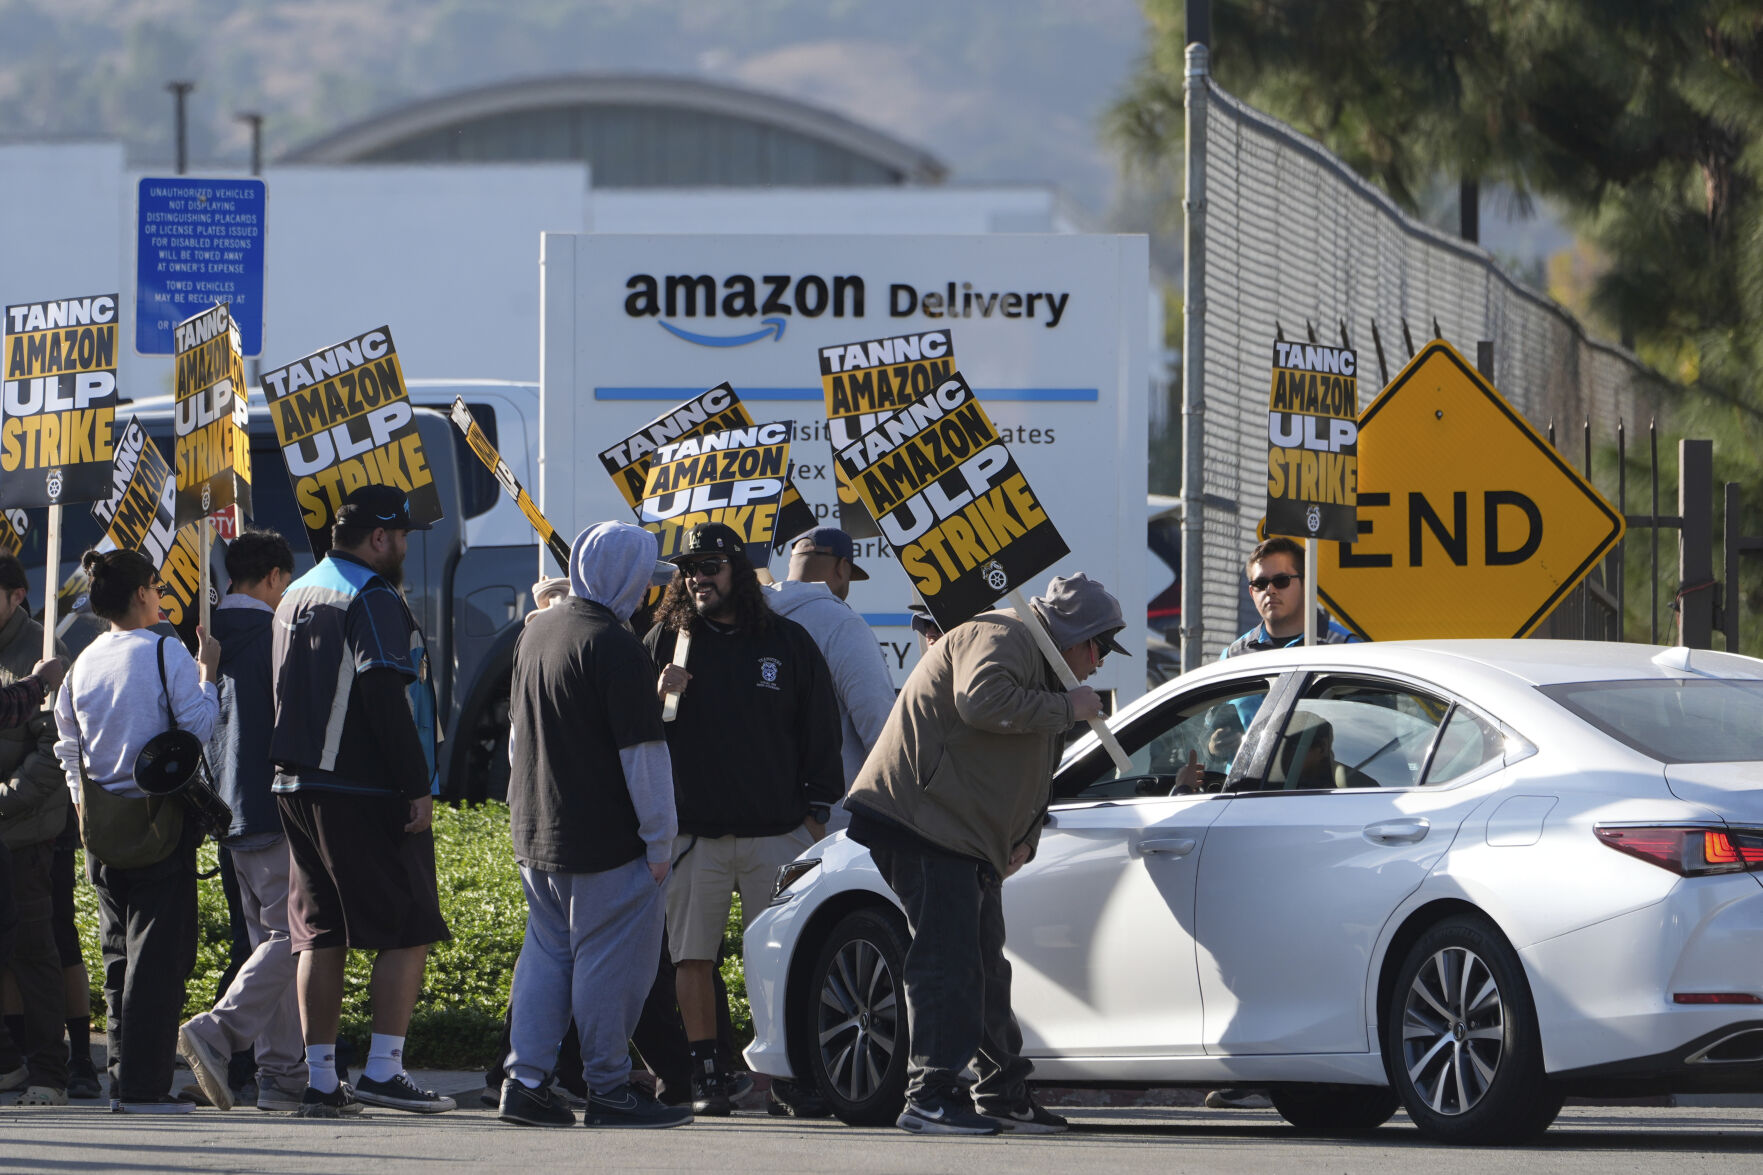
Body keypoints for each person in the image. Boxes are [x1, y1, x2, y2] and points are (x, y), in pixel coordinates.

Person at [845, 572, 1126, 1136]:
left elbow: (1035, 773)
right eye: (1100, 646)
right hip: (926, 824)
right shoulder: (1004, 634)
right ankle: (931, 1095)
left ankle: (1000, 1092)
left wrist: (1026, 837)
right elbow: (979, 700)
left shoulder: (1040, 665)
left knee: (984, 969)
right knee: (949, 962)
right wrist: (1066, 707)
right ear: (1079, 634)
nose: (1099, 662)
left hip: (963, 835)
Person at [498, 522, 692, 1130]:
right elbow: (644, 758)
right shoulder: (616, 645)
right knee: (611, 965)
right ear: (626, 579)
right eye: (642, 582)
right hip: (608, 843)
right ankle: (608, 1088)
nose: (645, 595)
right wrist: (659, 842)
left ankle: (524, 1081)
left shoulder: (538, 631)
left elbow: (516, 741)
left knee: (547, 958)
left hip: (537, 832)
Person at [645, 522, 842, 1116]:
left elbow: (821, 733)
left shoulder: (787, 642)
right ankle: (709, 1073)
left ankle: (787, 1076)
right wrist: (654, 696)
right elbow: (628, 740)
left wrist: (813, 818)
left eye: (709, 566)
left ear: (737, 569)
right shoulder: (665, 642)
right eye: (689, 569)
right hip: (693, 837)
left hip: (775, 836)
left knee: (782, 958)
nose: (697, 578)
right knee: (693, 958)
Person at [269, 485, 452, 1119]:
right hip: (360, 788)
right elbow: (383, 699)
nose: (404, 547)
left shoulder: (297, 589)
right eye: (400, 536)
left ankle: (321, 1082)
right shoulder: (371, 595)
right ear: (378, 538)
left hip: (294, 785)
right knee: (409, 928)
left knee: (319, 933)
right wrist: (416, 786)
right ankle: (383, 1070)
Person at [52, 549, 219, 1114]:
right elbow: (197, 728)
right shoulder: (164, 649)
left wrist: (81, 808)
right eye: (156, 584)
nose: (160, 594)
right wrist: (209, 675)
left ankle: (123, 1081)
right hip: (159, 827)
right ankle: (145, 1088)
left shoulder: (80, 665)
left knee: (118, 961)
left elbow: (68, 750)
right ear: (143, 592)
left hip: (101, 830)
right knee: (158, 962)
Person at [1206, 534, 1359, 1109]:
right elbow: (1213, 728)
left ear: (1305, 583)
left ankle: (1321, 1064)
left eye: (1280, 580)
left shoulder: (1340, 645)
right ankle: (1249, 1064)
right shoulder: (1236, 656)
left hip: (1327, 812)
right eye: (1258, 584)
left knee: (1318, 938)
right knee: (1248, 944)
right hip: (1251, 815)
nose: (1268, 593)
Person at [762, 526, 895, 1116]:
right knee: (818, 956)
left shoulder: (747, 615)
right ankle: (802, 1081)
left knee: (752, 954)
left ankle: (726, 1073)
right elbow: (879, 728)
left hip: (732, 815)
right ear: (839, 570)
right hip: (822, 823)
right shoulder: (841, 623)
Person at [177, 529, 308, 1113]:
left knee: (267, 942)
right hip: (275, 806)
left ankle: (281, 1076)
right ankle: (218, 1031)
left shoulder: (204, 641)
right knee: (294, 936)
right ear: (276, 577)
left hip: (226, 813)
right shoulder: (276, 634)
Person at [0, 553, 70, 1106]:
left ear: (16, 596)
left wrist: (3, 802)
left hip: (23, 831)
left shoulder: (44, 657)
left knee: (34, 950)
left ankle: (50, 1069)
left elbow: (52, 756)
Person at [1222, 536, 1359, 657]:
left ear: (1307, 585)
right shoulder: (1233, 655)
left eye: (1281, 580)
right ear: (1251, 592)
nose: (1270, 590)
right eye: (1260, 583)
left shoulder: (1346, 648)